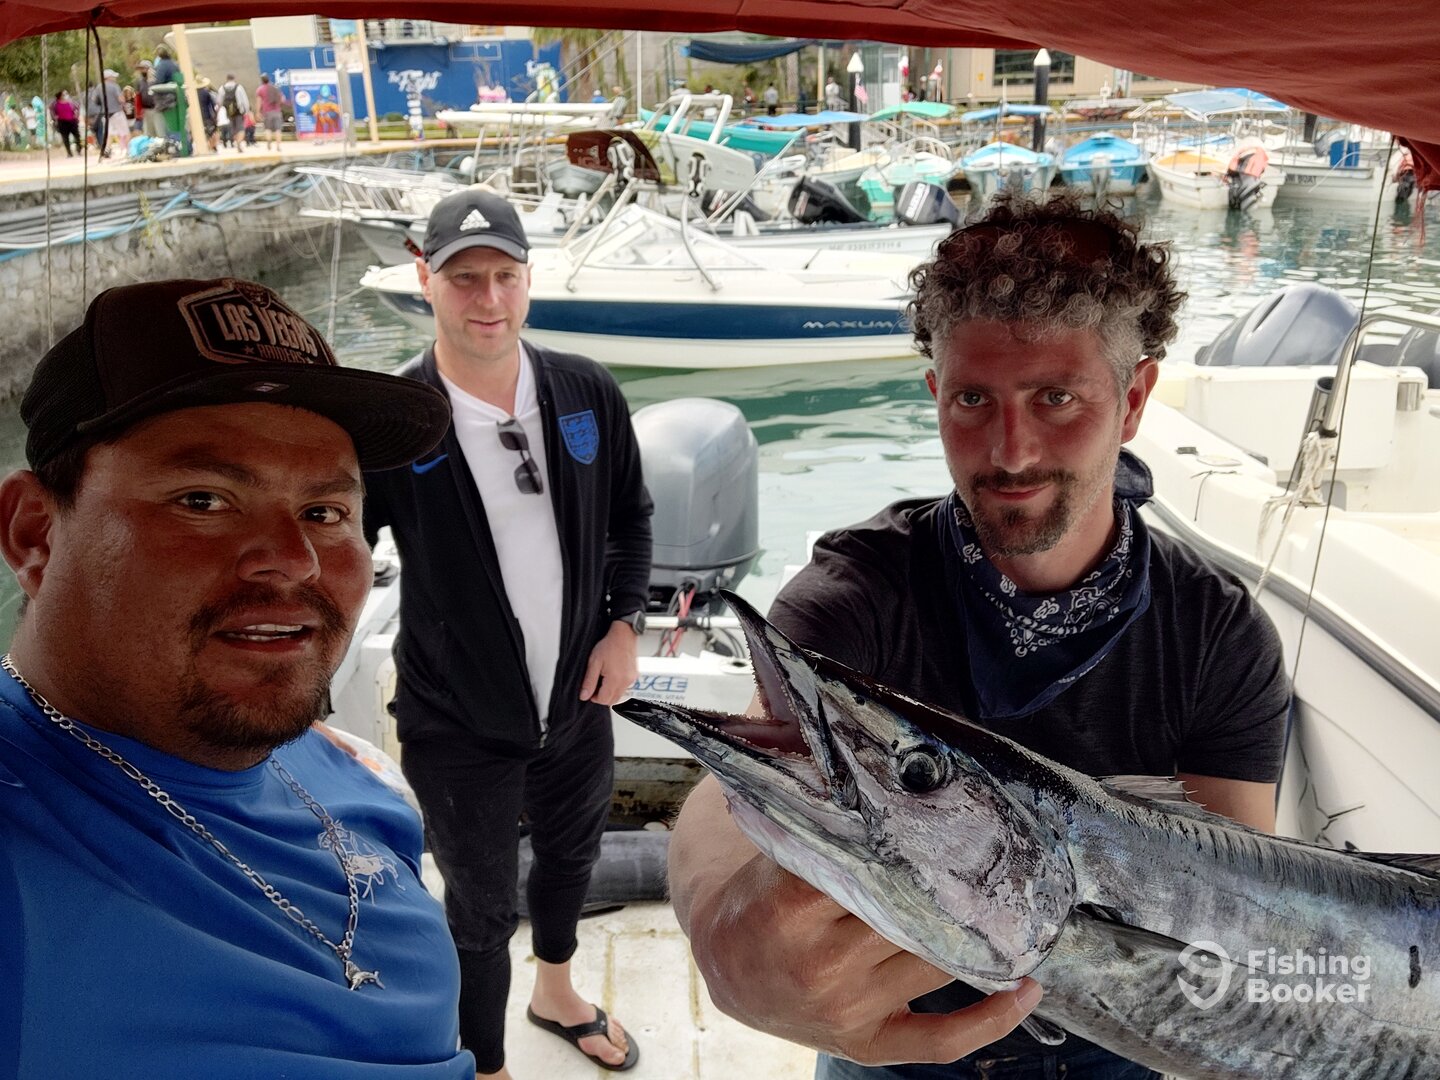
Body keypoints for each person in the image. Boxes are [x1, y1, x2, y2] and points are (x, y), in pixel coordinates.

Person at [668, 190, 1291, 1079]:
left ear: (1134, 397)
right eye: (972, 398)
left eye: (1056, 397)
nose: (1010, 451)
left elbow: (1238, 903)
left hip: (1118, 1058)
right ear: (936, 395)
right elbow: (737, 790)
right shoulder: (857, 593)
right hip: (888, 1046)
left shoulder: (1218, 635)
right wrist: (718, 927)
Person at [0, 276, 474, 1077]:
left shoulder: (359, 778)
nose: (294, 560)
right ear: (35, 533)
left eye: (325, 513)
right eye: (203, 500)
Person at [362, 189, 653, 1079]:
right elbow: (340, 551)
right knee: (479, 905)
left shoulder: (585, 390)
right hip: (454, 717)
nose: (487, 299)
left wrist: (624, 626)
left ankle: (555, 993)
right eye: (464, 279)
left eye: (504, 276)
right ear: (425, 279)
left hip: (577, 697)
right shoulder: (395, 419)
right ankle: (485, 1064)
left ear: (529, 279)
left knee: (571, 855)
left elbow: (630, 517)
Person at [88, 70, 127, 158]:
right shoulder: (114, 86)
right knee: (123, 132)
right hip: (117, 112)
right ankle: (124, 150)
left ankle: (106, 150)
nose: (115, 78)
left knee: (109, 134)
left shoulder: (99, 87)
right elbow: (121, 99)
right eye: (113, 77)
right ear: (108, 77)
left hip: (106, 114)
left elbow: (95, 100)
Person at [254, 73, 286, 152]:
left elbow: (258, 102)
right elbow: (283, 99)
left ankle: (269, 141)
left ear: (262, 80)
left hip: (267, 112)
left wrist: (257, 112)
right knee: (278, 129)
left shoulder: (260, 89)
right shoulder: (275, 88)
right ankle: (278, 146)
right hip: (277, 112)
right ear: (269, 79)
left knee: (268, 129)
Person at [136, 59, 166, 139]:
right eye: (141, 69)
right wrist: (139, 111)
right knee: (148, 134)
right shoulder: (140, 82)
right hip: (146, 110)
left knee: (160, 132)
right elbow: (139, 96)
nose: (142, 71)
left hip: (157, 109)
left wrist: (151, 80)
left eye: (143, 68)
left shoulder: (156, 80)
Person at [219, 73, 249, 152]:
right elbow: (244, 100)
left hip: (229, 112)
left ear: (226, 79)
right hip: (239, 111)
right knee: (241, 128)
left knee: (233, 129)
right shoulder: (239, 87)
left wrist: (218, 112)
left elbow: (219, 101)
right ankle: (239, 142)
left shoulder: (222, 88)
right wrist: (247, 110)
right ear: (234, 78)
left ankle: (236, 141)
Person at [51, 90, 80, 156]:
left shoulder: (71, 102)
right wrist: (54, 117)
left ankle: (78, 150)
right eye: (64, 94)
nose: (65, 95)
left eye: (66, 94)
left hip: (72, 121)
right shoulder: (55, 103)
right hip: (62, 122)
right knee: (65, 138)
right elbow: (51, 110)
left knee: (77, 136)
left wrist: (76, 115)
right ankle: (69, 153)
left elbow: (77, 107)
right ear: (60, 96)